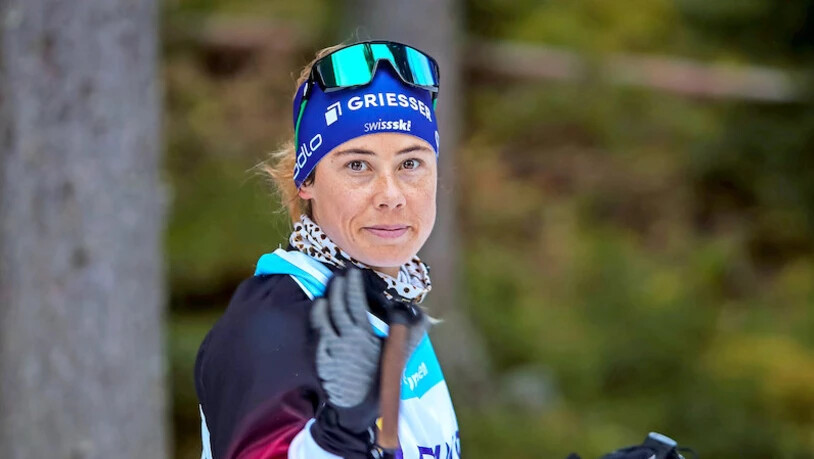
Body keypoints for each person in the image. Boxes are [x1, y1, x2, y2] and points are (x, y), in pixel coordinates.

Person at [194, 40, 460, 459]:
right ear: (307, 180)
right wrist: (336, 436)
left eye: (410, 164)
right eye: (358, 165)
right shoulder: (271, 324)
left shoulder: (390, 306)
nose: (391, 195)